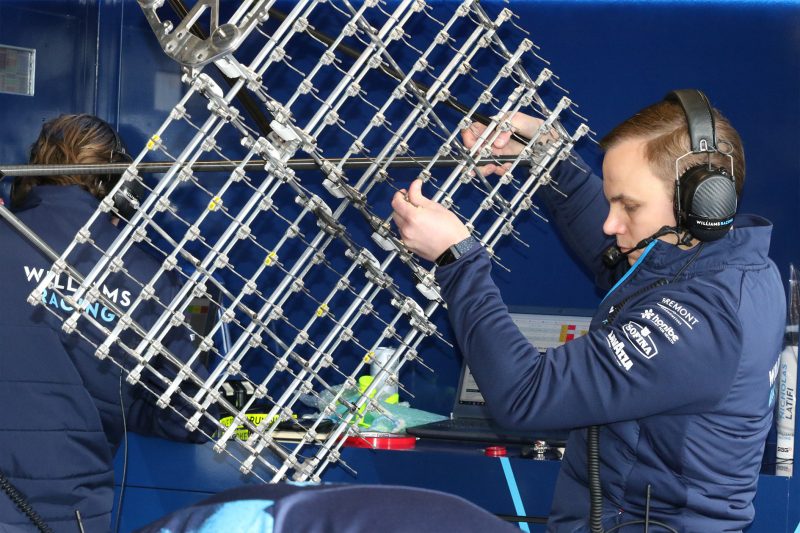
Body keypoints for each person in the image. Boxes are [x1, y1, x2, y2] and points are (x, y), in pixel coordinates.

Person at [391, 91, 786, 531]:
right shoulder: (730, 266)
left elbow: (526, 394)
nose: (610, 223)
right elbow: (619, 262)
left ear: (702, 203)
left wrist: (456, 259)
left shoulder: (706, 320)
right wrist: (549, 161)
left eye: (629, 206)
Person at [0, 114, 209, 532]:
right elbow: (190, 416)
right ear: (122, 191)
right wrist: (123, 404)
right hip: (68, 513)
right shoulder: (152, 278)